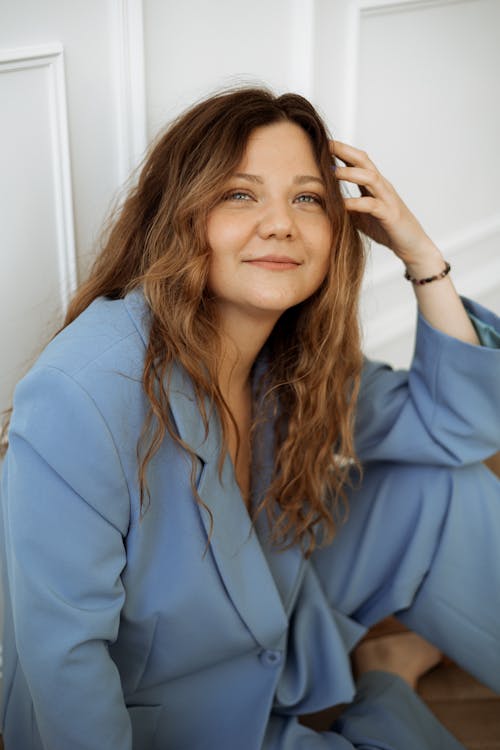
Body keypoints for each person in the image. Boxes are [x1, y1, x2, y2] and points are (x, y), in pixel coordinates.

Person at [0, 86, 499, 750]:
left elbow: (459, 426)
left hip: (265, 629)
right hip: (170, 720)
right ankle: (386, 686)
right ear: (179, 213)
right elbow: (63, 666)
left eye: (308, 199)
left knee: (445, 486)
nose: (280, 224)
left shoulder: (290, 354)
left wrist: (420, 255)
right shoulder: (80, 391)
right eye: (241, 194)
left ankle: (376, 676)